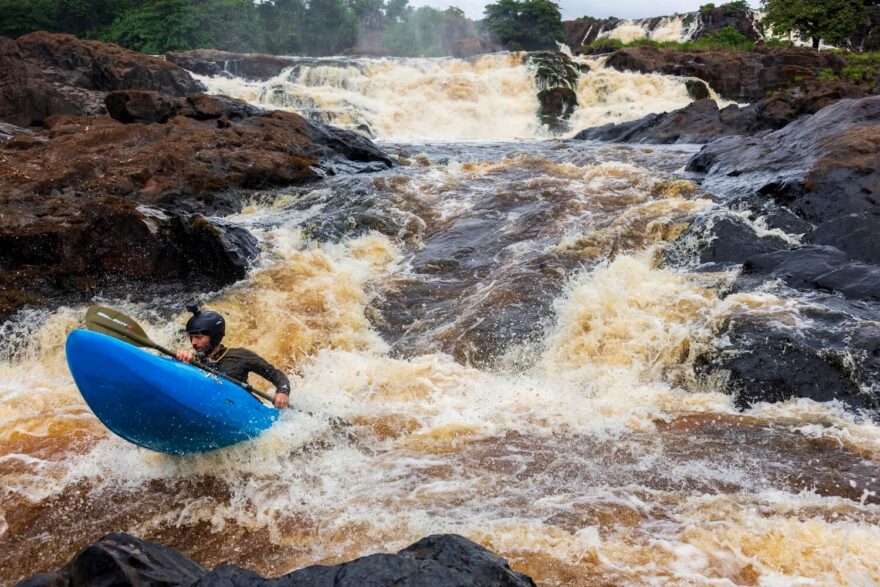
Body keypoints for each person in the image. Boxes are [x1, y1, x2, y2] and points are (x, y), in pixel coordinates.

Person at [175, 305, 291, 409]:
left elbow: (276, 375)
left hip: (242, 410)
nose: (193, 342)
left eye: (198, 337)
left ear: (215, 337)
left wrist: (283, 391)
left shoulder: (240, 355)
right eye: (191, 337)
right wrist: (179, 363)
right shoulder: (192, 360)